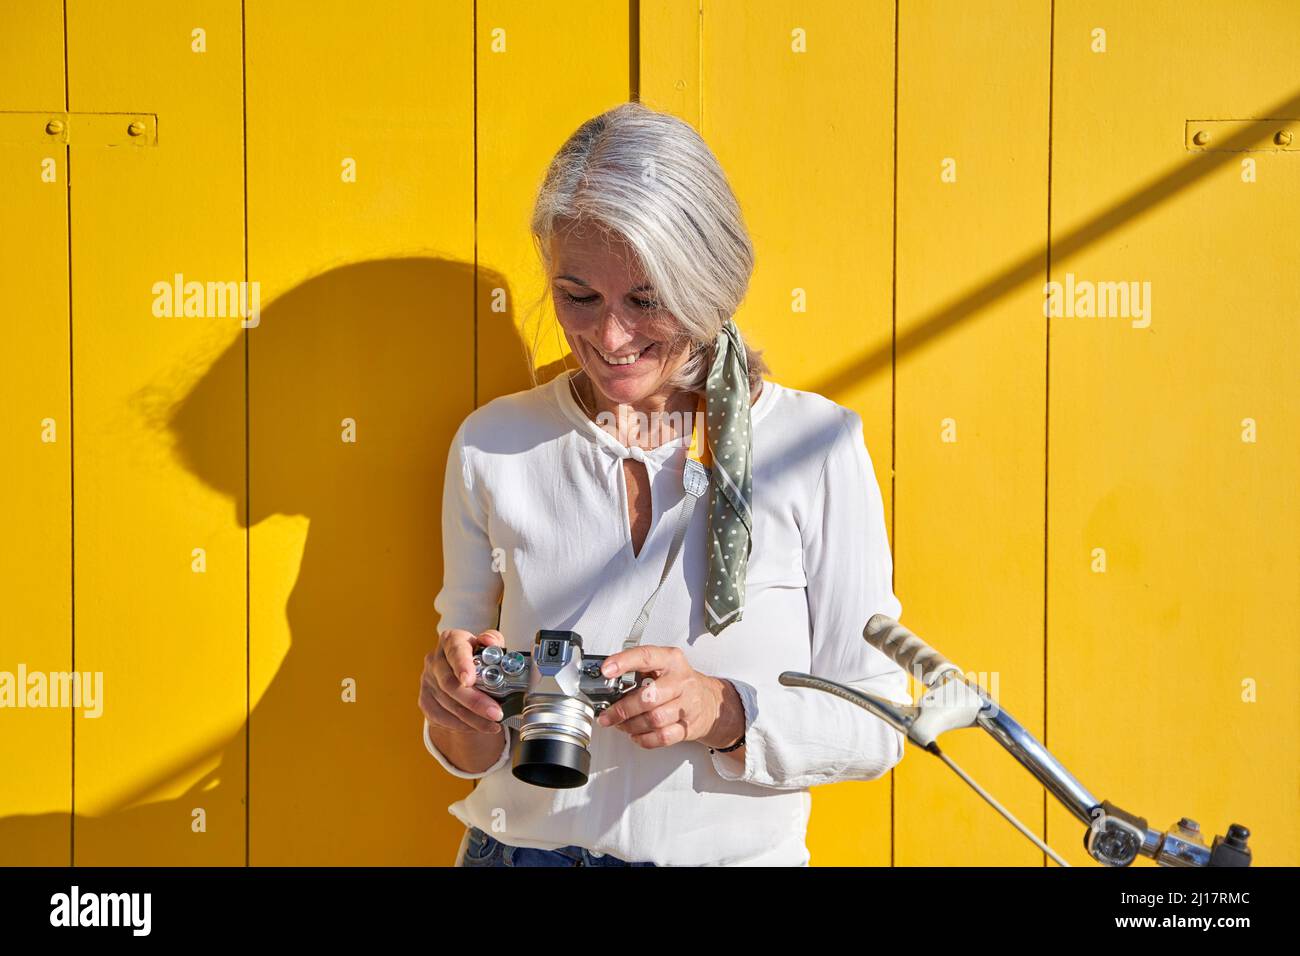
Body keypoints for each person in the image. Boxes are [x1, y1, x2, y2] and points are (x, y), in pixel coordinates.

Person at [417, 101, 909, 867]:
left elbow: (882, 718)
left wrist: (725, 712)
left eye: (645, 300)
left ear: (710, 281)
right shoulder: (494, 444)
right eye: (578, 296)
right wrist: (461, 711)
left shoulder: (815, 447)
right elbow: (468, 749)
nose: (609, 339)